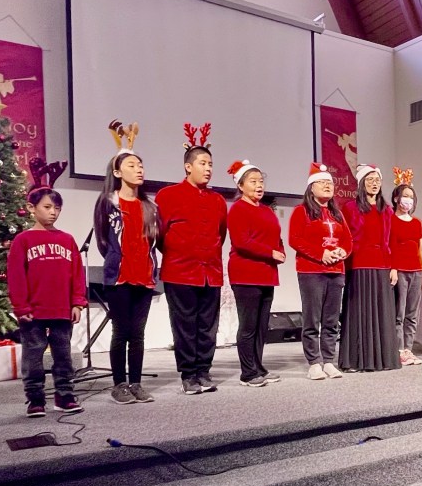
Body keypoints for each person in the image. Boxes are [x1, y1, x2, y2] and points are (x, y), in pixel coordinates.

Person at [155, 128, 227, 395]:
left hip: (211, 272)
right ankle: (188, 374)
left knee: (208, 326)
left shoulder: (218, 200)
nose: (208, 169)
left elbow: (221, 234)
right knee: (184, 325)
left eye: (210, 164)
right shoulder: (168, 195)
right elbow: (159, 235)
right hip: (180, 271)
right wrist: (179, 253)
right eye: (203, 163)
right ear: (188, 166)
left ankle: (203, 371)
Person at [7, 187, 86, 417]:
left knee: (63, 355)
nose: (53, 212)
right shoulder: (23, 240)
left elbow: (77, 273)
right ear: (31, 208)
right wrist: (21, 306)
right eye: (47, 207)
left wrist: (77, 302)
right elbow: (16, 276)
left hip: (62, 309)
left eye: (57, 208)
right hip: (33, 311)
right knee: (33, 355)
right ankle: (35, 398)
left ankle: (65, 395)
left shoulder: (67, 240)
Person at [94, 140, 160, 405]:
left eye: (140, 165)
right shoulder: (108, 202)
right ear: (118, 172)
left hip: (144, 277)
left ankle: (136, 383)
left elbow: (154, 240)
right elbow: (102, 240)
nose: (139, 169)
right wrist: (116, 260)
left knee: (138, 333)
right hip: (119, 278)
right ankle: (119, 384)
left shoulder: (150, 207)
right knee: (121, 331)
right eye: (132, 165)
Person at [288, 163, 352, 380]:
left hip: (336, 271)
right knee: (312, 318)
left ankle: (329, 361)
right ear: (311, 187)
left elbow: (348, 240)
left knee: (331, 320)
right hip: (311, 271)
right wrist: (320, 253)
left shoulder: (337, 213)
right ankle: (314, 362)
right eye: (322, 182)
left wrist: (342, 251)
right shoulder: (301, 211)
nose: (327, 185)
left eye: (330, 183)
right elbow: (295, 239)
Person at [227, 158, 286, 387]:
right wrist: (270, 253)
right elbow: (241, 241)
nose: (259, 185)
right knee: (249, 325)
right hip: (245, 273)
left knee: (262, 326)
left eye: (261, 181)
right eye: (253, 181)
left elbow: (277, 238)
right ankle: (248, 373)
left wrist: (280, 252)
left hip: (267, 273)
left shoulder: (267, 211)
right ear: (240, 185)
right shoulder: (237, 209)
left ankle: (258, 366)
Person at [338, 164, 400, 372]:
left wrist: (393, 267)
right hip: (358, 264)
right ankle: (356, 360)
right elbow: (345, 237)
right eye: (370, 179)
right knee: (359, 313)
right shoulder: (349, 208)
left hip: (382, 265)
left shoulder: (387, 210)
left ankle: (382, 359)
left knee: (382, 313)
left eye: (377, 180)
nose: (374, 183)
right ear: (362, 183)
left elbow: (392, 240)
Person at [389, 168, 422, 366]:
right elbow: (390, 246)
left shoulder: (417, 223)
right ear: (396, 198)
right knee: (399, 313)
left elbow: (421, 249)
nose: (408, 200)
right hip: (400, 271)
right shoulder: (390, 219)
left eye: (411, 197)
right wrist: (393, 268)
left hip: (416, 271)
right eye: (405, 196)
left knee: (412, 314)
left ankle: (408, 349)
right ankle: (398, 349)